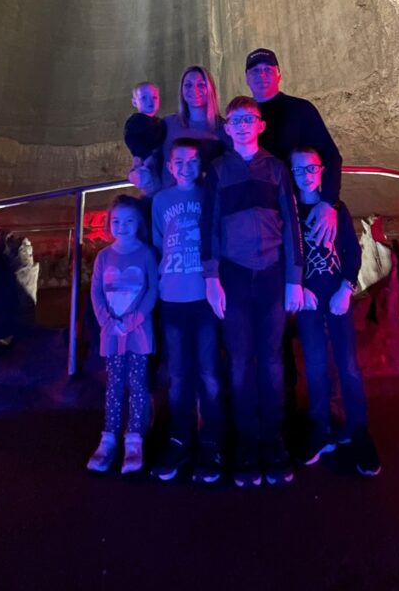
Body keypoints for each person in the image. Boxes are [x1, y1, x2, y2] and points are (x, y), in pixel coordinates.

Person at [203, 96, 304, 487]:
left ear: (260, 125)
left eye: (249, 118)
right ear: (227, 128)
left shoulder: (276, 169)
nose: (243, 124)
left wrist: (294, 277)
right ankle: (246, 441)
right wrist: (211, 277)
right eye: (236, 120)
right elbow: (210, 224)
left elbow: (292, 223)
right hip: (233, 274)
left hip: (272, 274)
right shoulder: (217, 170)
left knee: (272, 359)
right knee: (241, 359)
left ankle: (273, 439)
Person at [290, 147, 381, 477]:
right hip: (308, 298)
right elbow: (289, 251)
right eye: (298, 170)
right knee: (315, 365)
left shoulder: (337, 209)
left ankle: (358, 429)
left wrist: (347, 287)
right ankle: (321, 426)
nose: (306, 176)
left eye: (311, 168)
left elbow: (351, 251)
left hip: (337, 294)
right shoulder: (290, 211)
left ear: (321, 170)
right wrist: (298, 286)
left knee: (348, 365)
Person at [150, 138, 222, 483]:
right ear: (169, 166)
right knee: (178, 374)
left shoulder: (209, 195)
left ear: (201, 164)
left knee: (209, 372)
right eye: (179, 161)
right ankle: (180, 437)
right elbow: (159, 242)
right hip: (173, 296)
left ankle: (211, 440)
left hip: (204, 296)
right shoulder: (161, 200)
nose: (186, 167)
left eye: (193, 161)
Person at [87, 195, 158, 475]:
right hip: (112, 333)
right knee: (114, 383)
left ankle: (135, 437)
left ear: (139, 223)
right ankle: (109, 436)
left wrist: (133, 320)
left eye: (129, 221)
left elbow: (152, 288)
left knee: (138, 383)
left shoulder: (146, 254)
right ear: (109, 223)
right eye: (117, 221)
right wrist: (107, 322)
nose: (122, 226)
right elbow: (96, 292)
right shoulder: (103, 257)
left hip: (137, 332)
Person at [245, 48, 342, 247]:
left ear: (279, 74)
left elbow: (330, 155)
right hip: (261, 212)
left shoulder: (301, 110)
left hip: (301, 210)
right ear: (246, 78)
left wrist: (328, 201)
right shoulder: (243, 118)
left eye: (268, 69)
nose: (262, 75)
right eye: (255, 71)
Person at [129, 66, 229, 195]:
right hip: (170, 203)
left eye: (201, 84)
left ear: (210, 89)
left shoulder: (226, 129)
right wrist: (140, 174)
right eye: (188, 85)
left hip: (210, 202)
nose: (194, 89)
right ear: (181, 90)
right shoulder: (166, 124)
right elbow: (149, 162)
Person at [123, 82, 166, 199]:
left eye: (154, 97)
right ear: (134, 102)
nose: (150, 101)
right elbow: (131, 140)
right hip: (147, 163)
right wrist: (146, 156)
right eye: (144, 98)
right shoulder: (135, 121)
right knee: (153, 188)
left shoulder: (159, 122)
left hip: (159, 162)